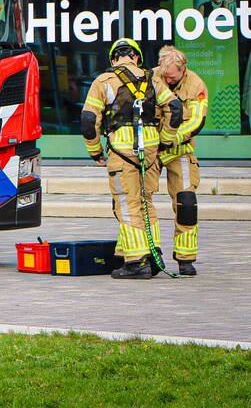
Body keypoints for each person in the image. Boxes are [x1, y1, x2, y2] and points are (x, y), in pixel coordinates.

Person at [81, 38, 182, 279]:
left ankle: (137, 261)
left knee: (127, 204)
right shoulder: (153, 79)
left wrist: (95, 151)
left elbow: (88, 119)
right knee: (146, 202)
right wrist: (165, 141)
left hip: (121, 153)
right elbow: (175, 109)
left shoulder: (103, 81)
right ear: (136, 57)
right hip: (150, 152)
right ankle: (154, 255)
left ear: (114, 59)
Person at [155, 45, 207, 276]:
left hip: (180, 149)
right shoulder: (151, 78)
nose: (168, 80)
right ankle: (147, 254)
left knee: (186, 203)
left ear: (183, 69)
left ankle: (185, 258)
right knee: (139, 201)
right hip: (151, 150)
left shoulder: (196, 85)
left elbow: (196, 121)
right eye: (165, 76)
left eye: (172, 77)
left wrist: (170, 139)